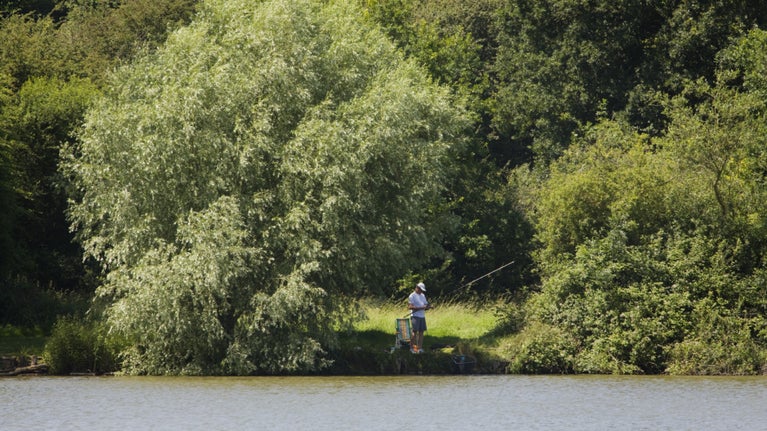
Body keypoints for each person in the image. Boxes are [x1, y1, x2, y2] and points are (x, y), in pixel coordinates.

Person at [408, 282, 431, 353]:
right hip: (415, 316)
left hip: (422, 316)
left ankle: (419, 348)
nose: (421, 291)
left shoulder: (422, 295)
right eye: (421, 289)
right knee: (414, 332)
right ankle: (411, 348)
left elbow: (426, 304)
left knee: (421, 332)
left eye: (422, 290)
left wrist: (428, 307)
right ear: (417, 288)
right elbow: (410, 307)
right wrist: (421, 307)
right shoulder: (412, 296)